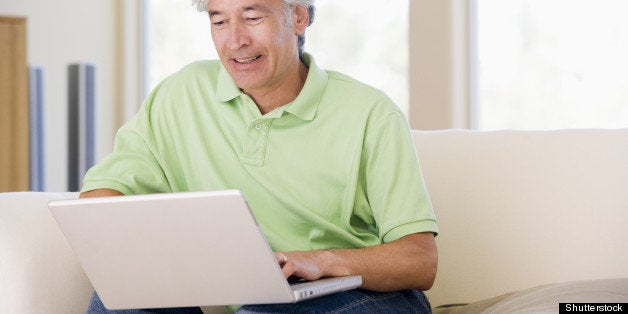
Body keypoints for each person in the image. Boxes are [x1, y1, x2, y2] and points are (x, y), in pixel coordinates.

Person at [82, 0, 438, 312]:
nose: (235, 40)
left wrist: (321, 261)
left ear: (298, 18)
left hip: (361, 295)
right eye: (219, 21)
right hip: (244, 296)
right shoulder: (180, 94)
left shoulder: (370, 113)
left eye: (252, 17)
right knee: (115, 305)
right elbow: (102, 199)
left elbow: (420, 260)